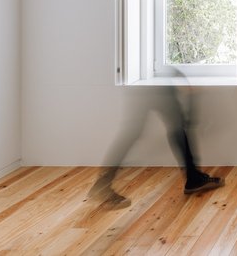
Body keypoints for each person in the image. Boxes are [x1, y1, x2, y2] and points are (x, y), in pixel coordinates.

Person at [88, 85, 223, 208]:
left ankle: (102, 186)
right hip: (153, 86)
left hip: (148, 85)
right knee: (173, 126)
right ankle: (193, 177)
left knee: (144, 130)